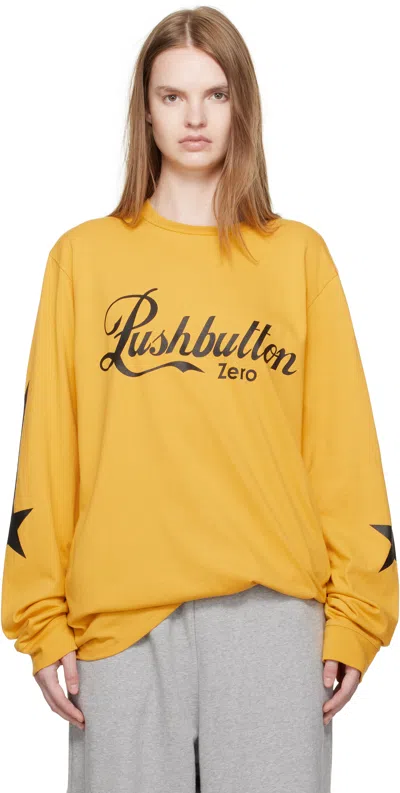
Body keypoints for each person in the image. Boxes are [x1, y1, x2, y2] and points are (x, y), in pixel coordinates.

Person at [1, 6, 398, 793]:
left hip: (274, 621)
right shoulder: (83, 260)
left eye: (215, 94)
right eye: (172, 95)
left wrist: (358, 614)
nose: (194, 117)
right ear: (145, 111)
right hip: (119, 625)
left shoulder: (297, 257)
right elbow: (47, 449)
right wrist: (40, 617)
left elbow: (342, 448)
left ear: (242, 105)